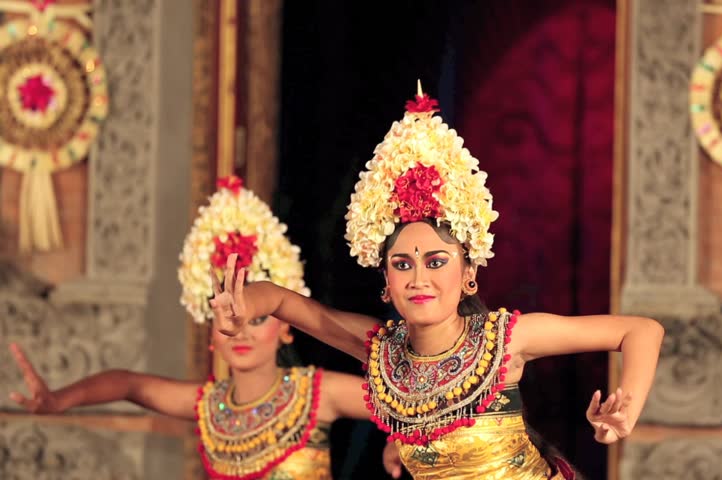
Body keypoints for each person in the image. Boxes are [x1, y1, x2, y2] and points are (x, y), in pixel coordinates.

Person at [211, 83, 665, 479]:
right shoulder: (381, 353)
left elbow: (640, 330)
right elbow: (279, 299)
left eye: (436, 262)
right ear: (385, 280)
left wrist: (626, 410)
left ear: (468, 274)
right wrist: (242, 304)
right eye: (403, 265)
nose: (419, 278)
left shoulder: (504, 340)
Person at [8, 179, 401, 480]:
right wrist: (60, 400)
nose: (242, 332)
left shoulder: (318, 392)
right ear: (212, 332)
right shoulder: (208, 406)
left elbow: (407, 402)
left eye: (258, 318)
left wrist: (398, 438)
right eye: (229, 321)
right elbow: (129, 385)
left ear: (286, 329)